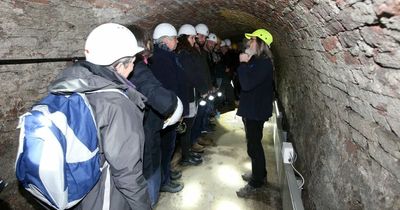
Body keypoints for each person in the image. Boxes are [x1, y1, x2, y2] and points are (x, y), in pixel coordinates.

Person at [47, 23, 150, 209]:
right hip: (106, 196)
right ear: (119, 64)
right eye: (132, 59)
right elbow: (128, 174)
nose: (134, 63)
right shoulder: (117, 103)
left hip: (75, 190)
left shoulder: (70, 85)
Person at [127, 25, 180, 207]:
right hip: (145, 136)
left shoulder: (110, 71)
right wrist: (175, 103)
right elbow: (164, 99)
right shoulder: (139, 69)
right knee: (150, 182)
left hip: (133, 140)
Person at [235, 28, 274, 198]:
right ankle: (260, 174)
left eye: (252, 40)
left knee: (254, 146)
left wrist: (243, 64)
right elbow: (243, 81)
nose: (248, 43)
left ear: (260, 43)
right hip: (251, 109)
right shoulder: (257, 61)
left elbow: (247, 84)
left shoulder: (264, 63)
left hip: (255, 111)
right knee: (253, 145)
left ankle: (257, 182)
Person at [150, 23, 186, 193]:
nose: (177, 42)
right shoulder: (163, 59)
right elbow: (170, 88)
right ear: (165, 40)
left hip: (167, 111)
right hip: (167, 112)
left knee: (167, 148)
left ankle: (167, 175)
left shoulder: (159, 57)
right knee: (167, 147)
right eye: (174, 39)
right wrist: (175, 112)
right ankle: (164, 181)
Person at [176, 24, 208, 166]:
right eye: (191, 38)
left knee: (188, 127)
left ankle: (187, 152)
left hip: (190, 94)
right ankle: (185, 156)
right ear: (184, 38)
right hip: (187, 95)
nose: (194, 41)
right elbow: (191, 75)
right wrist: (202, 88)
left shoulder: (186, 54)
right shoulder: (184, 55)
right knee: (187, 128)